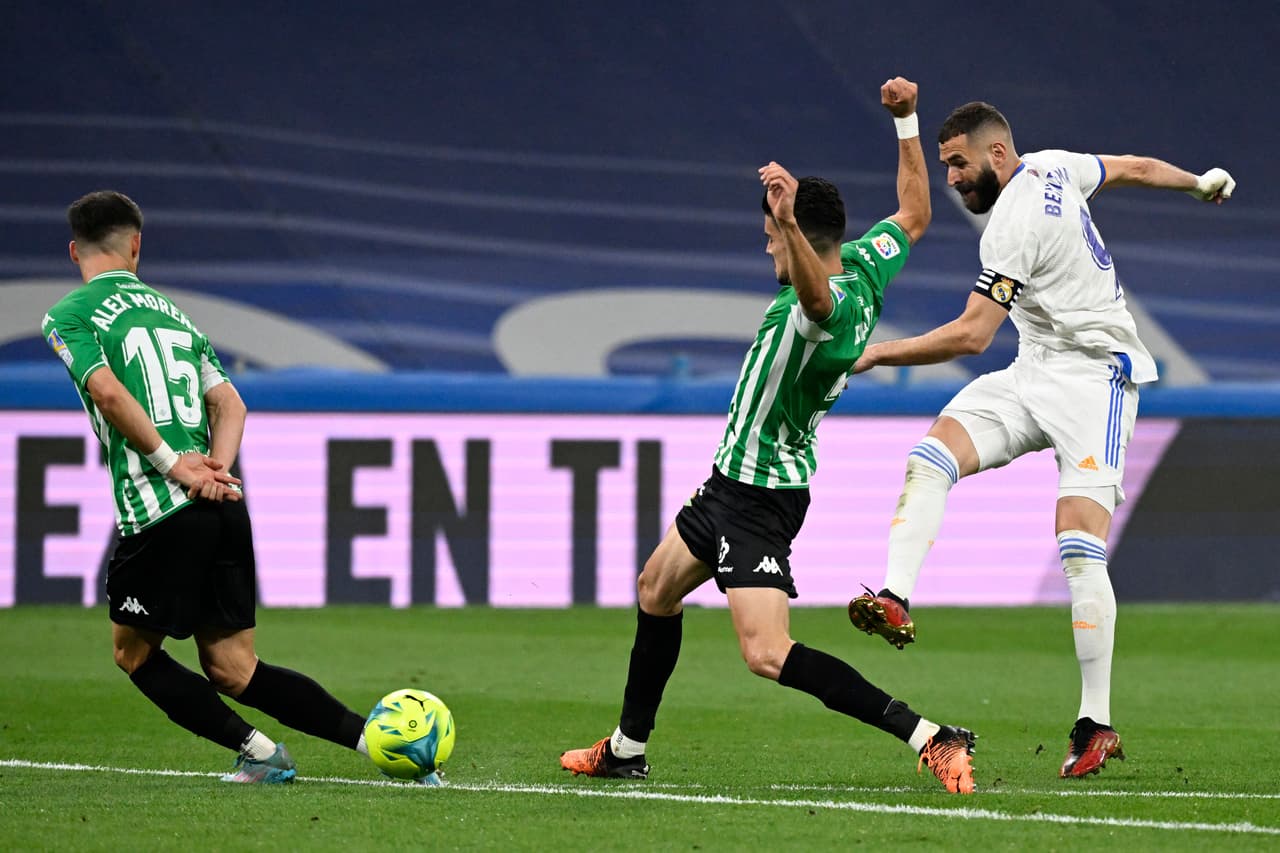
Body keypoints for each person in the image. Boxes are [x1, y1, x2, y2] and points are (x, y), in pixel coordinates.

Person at [560, 78, 977, 794]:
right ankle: (628, 747)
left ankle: (931, 735)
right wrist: (906, 120)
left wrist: (783, 223)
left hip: (761, 496)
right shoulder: (868, 265)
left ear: (801, 241)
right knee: (655, 588)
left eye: (772, 239)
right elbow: (914, 211)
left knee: (766, 652)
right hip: (728, 480)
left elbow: (813, 295)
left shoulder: (827, 306)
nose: (768, 252)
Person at [847, 101, 1236, 778]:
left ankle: (1096, 722)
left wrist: (880, 355)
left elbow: (971, 335)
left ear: (998, 154)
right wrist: (1198, 181)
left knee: (1079, 545)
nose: (954, 179)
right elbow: (1136, 167)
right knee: (932, 453)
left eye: (959, 164)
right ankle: (894, 598)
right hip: (1034, 368)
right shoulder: (1057, 165)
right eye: (946, 168)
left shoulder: (1013, 227)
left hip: (1096, 380)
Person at [42, 190, 383, 784]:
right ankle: (377, 743)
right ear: (137, 245)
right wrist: (217, 471)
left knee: (134, 652)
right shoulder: (177, 316)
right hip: (222, 502)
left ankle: (261, 754)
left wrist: (176, 465)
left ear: (75, 251)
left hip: (159, 510)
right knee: (235, 667)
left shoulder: (69, 315)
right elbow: (231, 403)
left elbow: (108, 393)